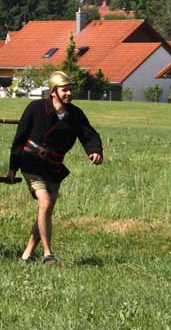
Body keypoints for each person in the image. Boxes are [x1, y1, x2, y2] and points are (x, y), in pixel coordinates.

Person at [7, 70, 104, 263]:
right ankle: (47, 253)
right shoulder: (35, 108)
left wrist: (95, 150)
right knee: (45, 203)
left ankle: (26, 254)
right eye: (64, 90)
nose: (69, 93)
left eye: (70, 90)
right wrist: (12, 168)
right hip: (31, 163)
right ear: (53, 91)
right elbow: (19, 138)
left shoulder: (75, 114)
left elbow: (89, 135)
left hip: (54, 167)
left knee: (46, 211)